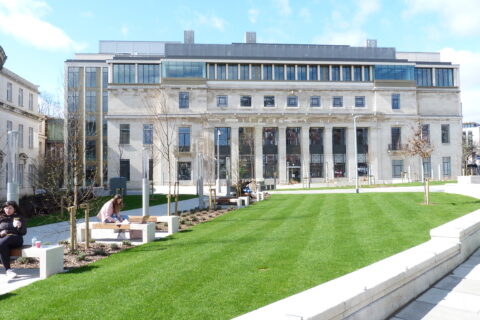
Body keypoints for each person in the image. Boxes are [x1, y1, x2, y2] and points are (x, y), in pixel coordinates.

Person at [0, 200, 27, 280]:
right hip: (3, 240)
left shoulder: (19, 217)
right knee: (2, 245)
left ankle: (8, 270)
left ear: (14, 209)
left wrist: (20, 226)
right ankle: (8, 270)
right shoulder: (1, 217)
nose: (7, 210)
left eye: (10, 208)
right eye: (6, 208)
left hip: (16, 239)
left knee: (8, 238)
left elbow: (23, 232)